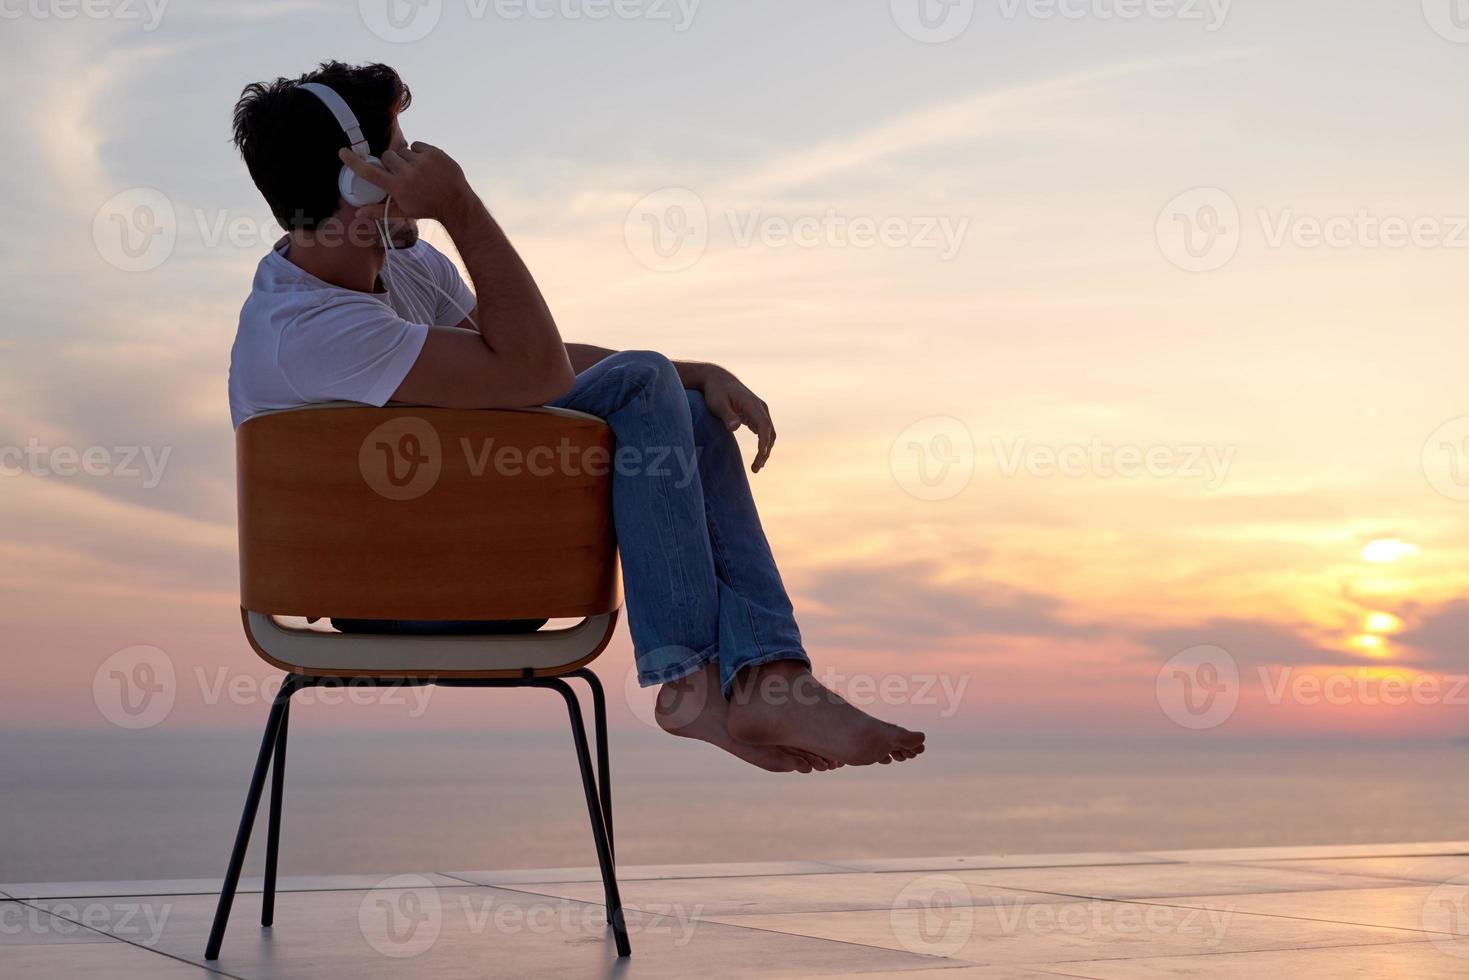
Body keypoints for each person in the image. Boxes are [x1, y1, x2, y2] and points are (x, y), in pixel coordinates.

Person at [228, 61, 925, 771]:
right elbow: (534, 372)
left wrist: (698, 373)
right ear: (358, 175)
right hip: (399, 595)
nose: (415, 160)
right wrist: (461, 206)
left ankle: (769, 678)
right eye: (399, 147)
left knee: (683, 404)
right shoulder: (308, 331)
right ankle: (689, 681)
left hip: (477, 561)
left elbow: (530, 355)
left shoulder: (404, 267)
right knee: (645, 382)